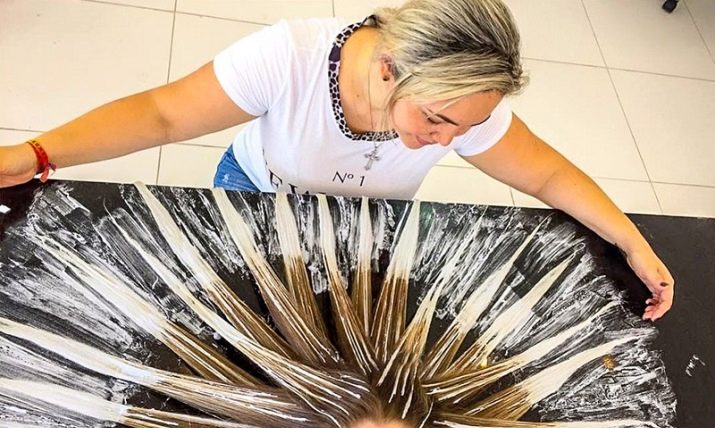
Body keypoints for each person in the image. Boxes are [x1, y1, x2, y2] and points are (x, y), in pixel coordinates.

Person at [0, 0, 673, 319]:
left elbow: (546, 172)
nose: (450, 142)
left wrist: (629, 239)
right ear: (387, 68)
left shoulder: (462, 104)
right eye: (435, 121)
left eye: (466, 127)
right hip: (259, 193)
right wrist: (38, 153)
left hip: (370, 222)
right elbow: (162, 113)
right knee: (243, 321)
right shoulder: (285, 59)